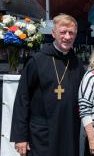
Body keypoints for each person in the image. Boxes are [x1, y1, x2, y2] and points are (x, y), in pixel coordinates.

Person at [10, 14, 85, 156]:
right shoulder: (37, 61)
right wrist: (20, 137)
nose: (67, 37)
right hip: (42, 135)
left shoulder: (78, 64)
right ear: (53, 33)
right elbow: (22, 99)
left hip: (68, 133)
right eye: (63, 32)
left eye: (71, 33)